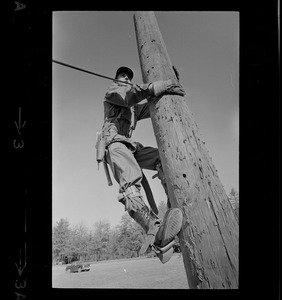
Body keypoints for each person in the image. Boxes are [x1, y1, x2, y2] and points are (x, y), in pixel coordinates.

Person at [99, 66, 185, 261]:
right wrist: (158, 85)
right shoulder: (113, 92)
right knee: (130, 181)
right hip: (115, 144)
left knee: (162, 158)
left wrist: (170, 83)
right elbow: (133, 94)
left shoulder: (133, 109)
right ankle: (152, 228)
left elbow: (154, 100)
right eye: (122, 75)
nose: (125, 78)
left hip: (130, 146)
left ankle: (172, 209)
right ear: (116, 79)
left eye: (128, 77)